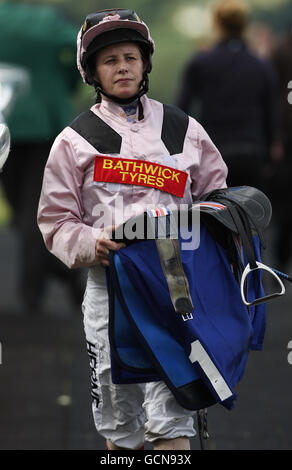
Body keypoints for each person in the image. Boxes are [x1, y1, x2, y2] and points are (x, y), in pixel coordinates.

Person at [37, 9, 228, 451]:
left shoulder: (185, 129)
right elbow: (56, 220)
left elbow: (217, 197)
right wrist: (91, 243)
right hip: (111, 295)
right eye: (109, 60)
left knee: (174, 418)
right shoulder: (74, 140)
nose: (122, 66)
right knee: (120, 426)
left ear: (144, 64)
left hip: (178, 293)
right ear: (92, 72)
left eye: (130, 56)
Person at [0, 0, 84, 313]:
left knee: (20, 207)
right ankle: (60, 271)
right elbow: (79, 45)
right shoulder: (47, 21)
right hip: (44, 123)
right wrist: (67, 80)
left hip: (4, 122)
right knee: (34, 207)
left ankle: (31, 291)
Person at [176, 0, 280, 190]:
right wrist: (272, 145)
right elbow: (271, 112)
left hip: (213, 152)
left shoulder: (200, 63)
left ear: (216, 23)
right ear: (245, 23)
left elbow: (182, 109)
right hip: (252, 150)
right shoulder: (261, 65)